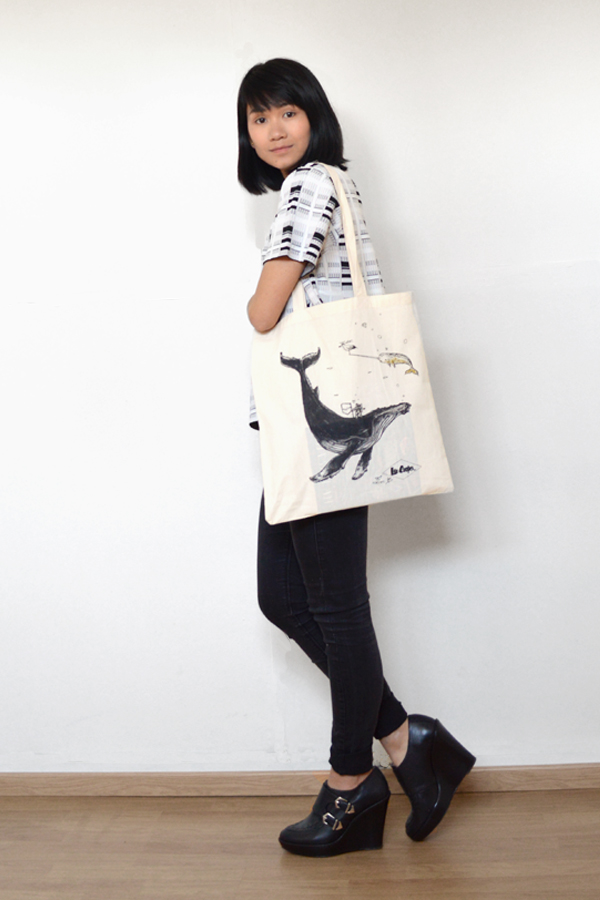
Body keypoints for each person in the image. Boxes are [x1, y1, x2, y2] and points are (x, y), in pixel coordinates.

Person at [237, 58, 475, 858]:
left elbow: (266, 309)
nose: (274, 129)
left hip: (322, 435)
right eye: (258, 118)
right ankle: (408, 740)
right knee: (285, 597)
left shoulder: (310, 185)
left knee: (336, 607)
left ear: (314, 117)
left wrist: (256, 294)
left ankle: (350, 782)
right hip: (305, 437)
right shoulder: (324, 187)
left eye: (287, 112)